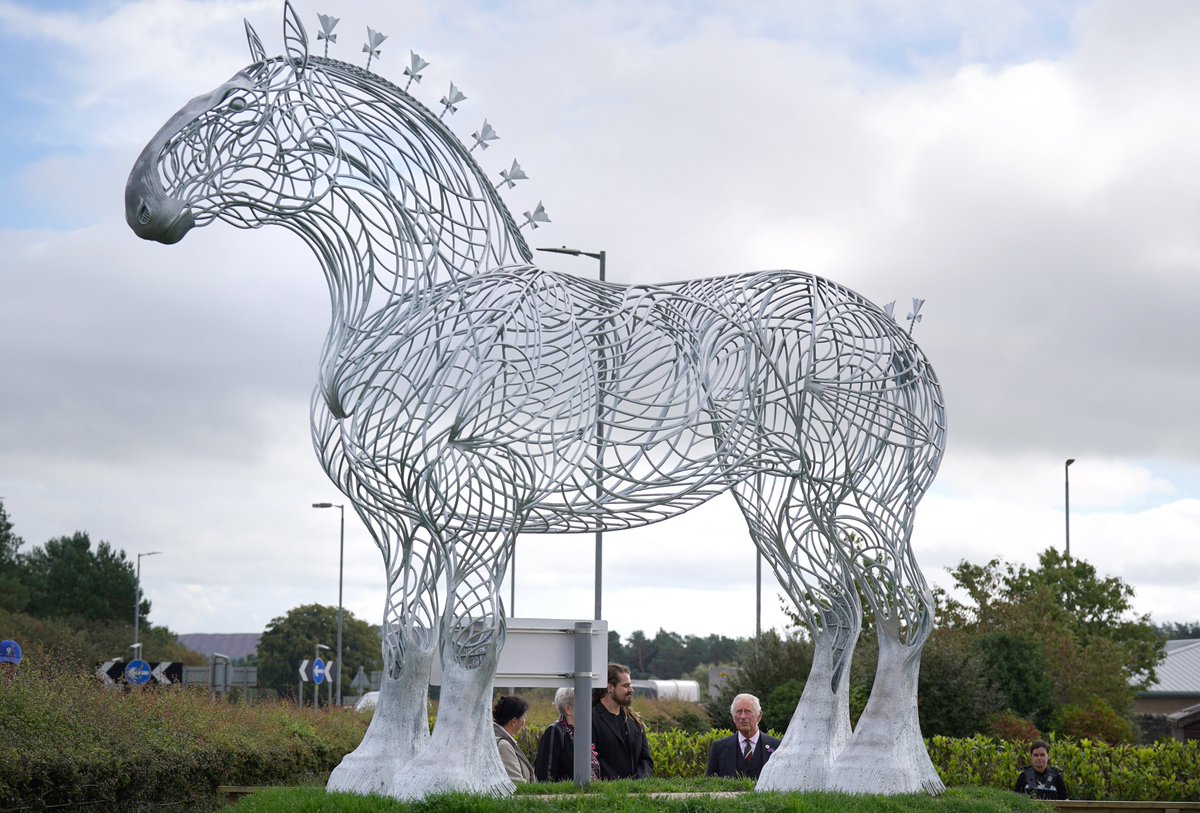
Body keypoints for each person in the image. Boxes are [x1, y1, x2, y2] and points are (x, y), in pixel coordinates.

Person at [591, 663, 653, 779]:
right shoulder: (590, 719)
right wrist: (618, 784)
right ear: (610, 688)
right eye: (626, 686)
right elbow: (592, 759)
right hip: (606, 793)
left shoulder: (635, 720)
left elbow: (645, 759)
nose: (631, 690)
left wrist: (640, 781)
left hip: (636, 792)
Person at [705, 692, 781, 779]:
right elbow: (709, 783)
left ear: (759, 716)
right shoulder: (719, 748)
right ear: (733, 717)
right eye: (739, 711)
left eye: (748, 711)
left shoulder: (777, 746)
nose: (743, 716)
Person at [534, 686, 600, 782]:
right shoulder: (555, 731)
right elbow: (545, 774)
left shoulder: (582, 732)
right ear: (568, 709)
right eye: (583, 704)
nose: (589, 709)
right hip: (566, 795)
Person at [493, 695, 536, 784]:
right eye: (524, 717)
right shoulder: (503, 745)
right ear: (514, 721)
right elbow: (516, 782)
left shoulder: (497, 739)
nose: (524, 721)